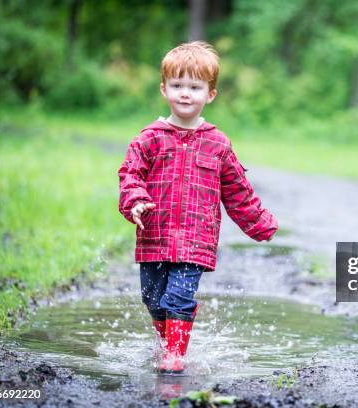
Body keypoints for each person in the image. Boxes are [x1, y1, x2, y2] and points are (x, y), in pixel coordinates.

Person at [118, 41, 278, 375]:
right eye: (177, 86)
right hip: (154, 236)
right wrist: (134, 202)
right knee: (153, 298)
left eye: (195, 87)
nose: (185, 94)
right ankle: (166, 343)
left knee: (177, 298)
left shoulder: (217, 143)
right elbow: (130, 174)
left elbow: (237, 191)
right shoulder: (149, 138)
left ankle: (174, 356)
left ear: (211, 94)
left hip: (195, 239)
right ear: (164, 89)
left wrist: (260, 223)